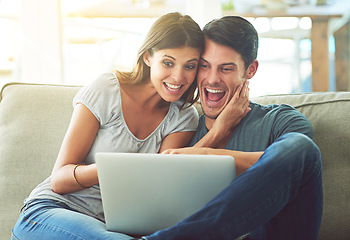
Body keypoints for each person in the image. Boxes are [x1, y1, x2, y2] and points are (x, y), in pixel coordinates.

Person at [11, 12, 218, 240]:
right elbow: (59, 179)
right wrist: (114, 169)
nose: (178, 77)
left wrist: (220, 129)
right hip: (52, 212)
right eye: (168, 62)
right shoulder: (106, 90)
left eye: (190, 66)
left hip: (110, 228)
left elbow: (158, 185)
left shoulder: (182, 116)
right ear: (148, 57)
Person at [137, 16, 323, 240]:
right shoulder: (180, 127)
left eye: (225, 68)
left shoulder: (281, 121)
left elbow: (299, 167)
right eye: (204, 66)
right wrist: (214, 136)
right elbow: (153, 192)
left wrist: (204, 155)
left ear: (250, 70)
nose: (212, 79)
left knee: (302, 148)